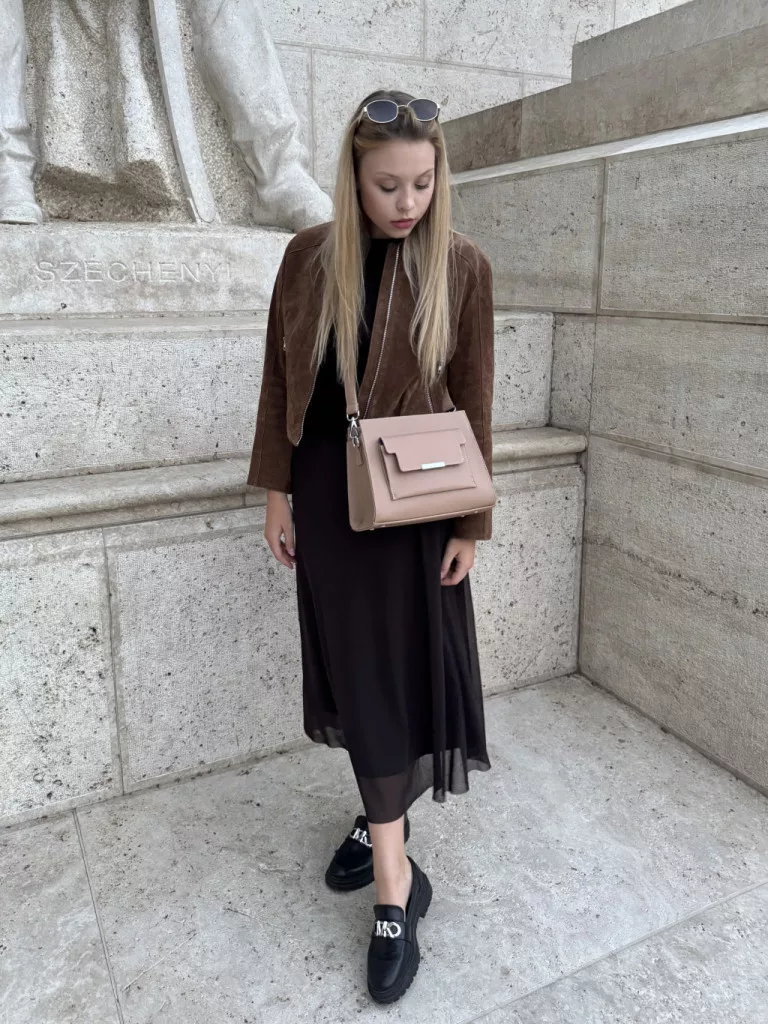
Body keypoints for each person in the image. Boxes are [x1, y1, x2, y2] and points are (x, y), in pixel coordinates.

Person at [246, 88, 495, 1003]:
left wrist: (471, 524)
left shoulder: (461, 265)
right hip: (326, 498)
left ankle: (396, 883)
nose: (407, 203)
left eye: (422, 184)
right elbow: (281, 382)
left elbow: (476, 394)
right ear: (352, 176)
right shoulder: (308, 257)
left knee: (396, 678)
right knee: (359, 678)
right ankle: (385, 822)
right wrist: (277, 492)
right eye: (387, 185)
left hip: (416, 506)